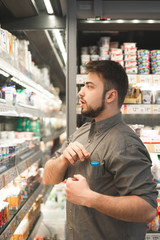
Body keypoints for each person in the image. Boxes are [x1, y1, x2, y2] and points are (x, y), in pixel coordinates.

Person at [43, 60, 157, 240]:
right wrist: (62, 159)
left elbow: (148, 209)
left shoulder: (126, 144)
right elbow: (48, 178)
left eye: (89, 87)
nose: (81, 92)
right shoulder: (82, 132)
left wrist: (89, 197)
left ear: (110, 96)